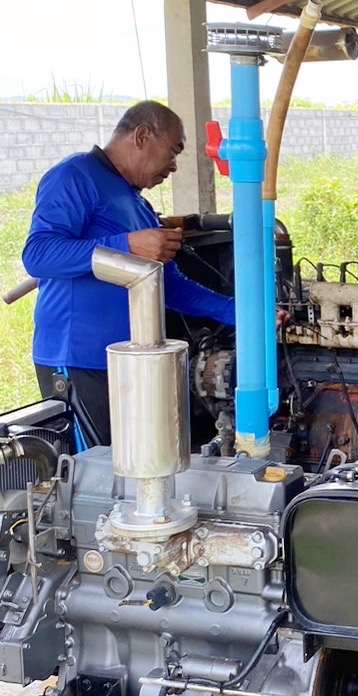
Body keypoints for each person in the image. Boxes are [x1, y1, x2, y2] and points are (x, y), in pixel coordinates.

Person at [23, 100, 236, 448]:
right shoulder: (76, 176)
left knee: (135, 475)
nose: (173, 166)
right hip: (78, 361)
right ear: (142, 136)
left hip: (131, 363)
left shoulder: (138, 205)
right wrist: (127, 245)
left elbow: (169, 284)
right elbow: (38, 254)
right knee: (94, 475)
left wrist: (236, 311)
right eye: (173, 151)